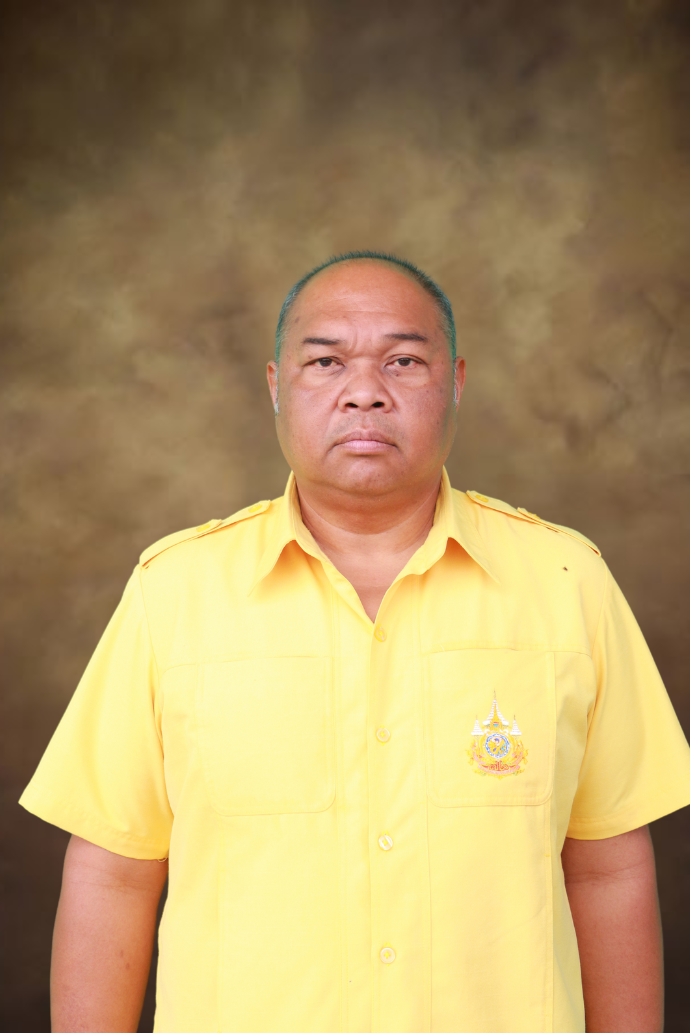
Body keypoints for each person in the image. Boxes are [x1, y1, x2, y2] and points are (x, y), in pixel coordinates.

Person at [20, 251, 690, 1033]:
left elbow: (607, 869)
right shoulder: (173, 593)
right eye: (326, 361)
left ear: (456, 381)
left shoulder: (567, 583)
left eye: (403, 361)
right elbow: (115, 876)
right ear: (277, 385)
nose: (365, 390)